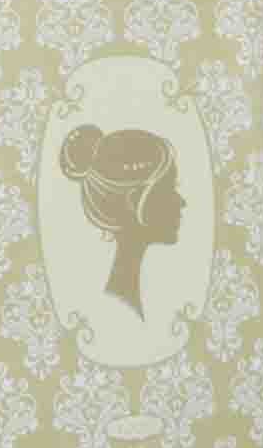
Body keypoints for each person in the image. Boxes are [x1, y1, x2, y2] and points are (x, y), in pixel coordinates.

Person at [58, 123, 184, 318]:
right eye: (169, 190)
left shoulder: (122, 295)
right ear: (135, 202)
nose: (182, 202)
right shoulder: (120, 305)